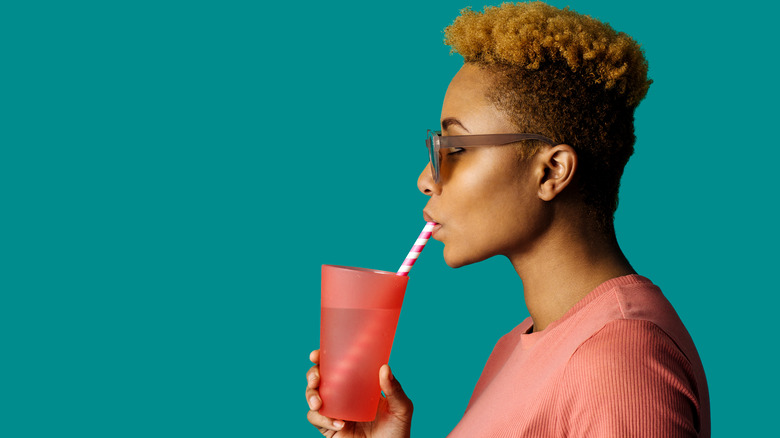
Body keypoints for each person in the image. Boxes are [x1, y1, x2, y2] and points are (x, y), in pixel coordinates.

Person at [305, 2, 710, 436]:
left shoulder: (620, 360)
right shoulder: (518, 346)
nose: (426, 178)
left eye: (455, 149)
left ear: (551, 172)